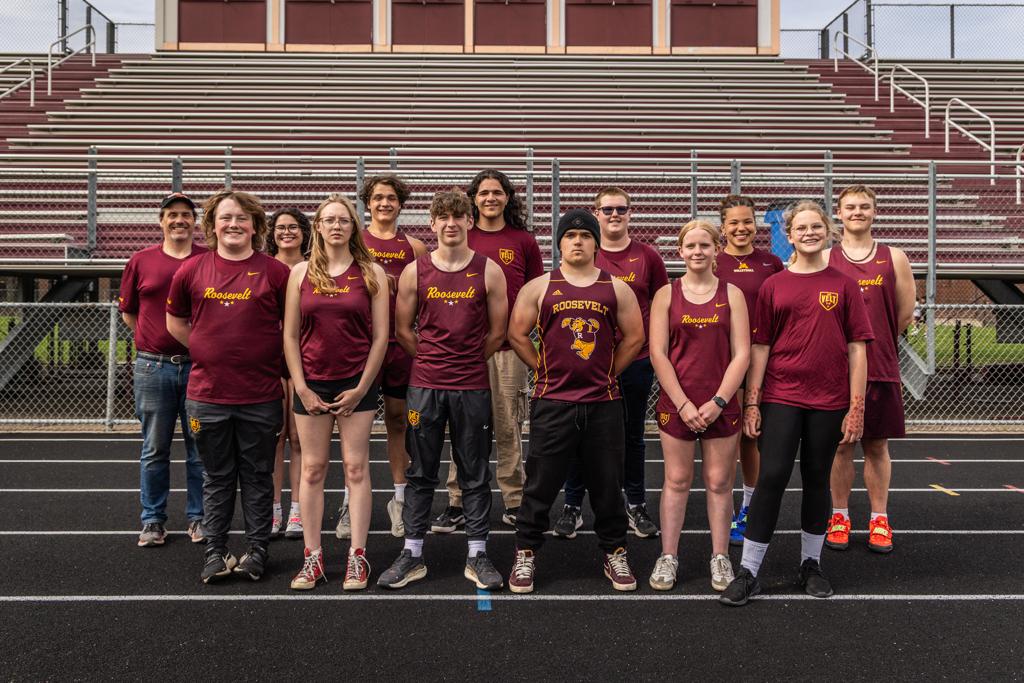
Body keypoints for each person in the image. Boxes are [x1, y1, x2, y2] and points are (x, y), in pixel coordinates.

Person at [720, 200, 872, 606]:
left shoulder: (844, 285)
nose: (809, 233)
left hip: (829, 399)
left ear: (828, 231)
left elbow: (858, 349)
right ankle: (749, 571)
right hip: (782, 396)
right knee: (770, 477)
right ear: (788, 236)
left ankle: (811, 564)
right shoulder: (774, 285)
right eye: (801, 228)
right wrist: (752, 403)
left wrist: (856, 407)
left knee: (817, 480)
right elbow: (761, 346)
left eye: (816, 227)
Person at [508, 209, 644, 594]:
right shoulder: (539, 286)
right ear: (561, 243)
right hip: (553, 400)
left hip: (603, 401)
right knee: (540, 484)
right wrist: (542, 368)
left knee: (607, 484)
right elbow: (517, 333)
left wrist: (608, 373)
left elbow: (634, 337)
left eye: (586, 235)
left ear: (596, 244)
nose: (579, 241)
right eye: (571, 235)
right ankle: (525, 553)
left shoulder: (616, 287)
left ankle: (614, 551)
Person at [377, 188, 507, 590]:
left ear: (470, 222)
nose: (451, 223)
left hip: (471, 387)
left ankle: (477, 553)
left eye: (458, 216)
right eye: (442, 217)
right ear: (432, 224)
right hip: (426, 386)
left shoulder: (489, 270)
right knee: (421, 471)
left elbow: (498, 332)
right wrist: (434, 361)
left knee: (475, 471)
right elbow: (402, 329)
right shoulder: (417, 270)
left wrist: (464, 361)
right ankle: (412, 554)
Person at [166, 189, 291, 584]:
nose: (233, 224)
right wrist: (209, 350)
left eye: (241, 218)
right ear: (212, 225)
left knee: (257, 477)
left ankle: (257, 551)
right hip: (207, 396)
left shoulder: (276, 272)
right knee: (217, 476)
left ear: (255, 225)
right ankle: (215, 552)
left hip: (261, 395)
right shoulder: (190, 271)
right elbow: (176, 323)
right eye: (225, 218)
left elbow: (293, 327)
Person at [283, 195, 389, 591]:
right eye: (328, 220)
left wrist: (362, 386)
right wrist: (302, 387)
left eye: (343, 220)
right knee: (311, 469)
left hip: (355, 383)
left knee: (356, 468)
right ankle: (312, 558)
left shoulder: (372, 272)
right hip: (312, 384)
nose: (336, 226)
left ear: (353, 226)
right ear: (319, 227)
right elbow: (290, 335)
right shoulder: (299, 273)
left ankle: (357, 558)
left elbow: (381, 338)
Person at [553, 187, 668, 540]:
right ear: (597, 214)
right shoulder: (584, 253)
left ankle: (635, 503)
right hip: (587, 363)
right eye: (607, 209)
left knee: (632, 436)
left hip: (635, 360)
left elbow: (663, 304)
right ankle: (573, 506)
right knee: (577, 436)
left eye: (621, 209)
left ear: (630, 214)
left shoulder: (648, 256)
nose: (614, 215)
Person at [432, 169, 543, 533]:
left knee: (508, 424)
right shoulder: (463, 234)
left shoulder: (522, 241)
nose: (490, 198)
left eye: (497, 192)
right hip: (463, 350)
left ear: (508, 197)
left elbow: (535, 292)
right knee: (462, 427)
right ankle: (457, 501)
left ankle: (514, 499)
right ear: (473, 198)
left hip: (508, 348)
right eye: (483, 193)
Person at [648, 220, 750, 592]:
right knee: (676, 480)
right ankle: (669, 556)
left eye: (705, 245)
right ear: (680, 251)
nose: (697, 252)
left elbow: (741, 354)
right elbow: (658, 353)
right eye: (690, 246)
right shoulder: (666, 294)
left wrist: (719, 400)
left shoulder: (732, 294)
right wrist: (684, 403)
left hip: (721, 403)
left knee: (720, 482)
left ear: (716, 249)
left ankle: (720, 556)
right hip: (678, 402)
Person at [826, 185, 915, 554]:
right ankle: (840, 515)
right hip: (834, 370)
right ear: (839, 213)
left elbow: (904, 313)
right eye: (850, 207)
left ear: (875, 212)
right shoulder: (827, 257)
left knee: (877, 445)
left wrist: (870, 344)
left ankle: (879, 519)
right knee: (841, 445)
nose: (857, 212)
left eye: (864, 206)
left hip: (880, 367)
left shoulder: (893, 257)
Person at [118, 192, 207, 548]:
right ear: (161, 221)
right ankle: (153, 520)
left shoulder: (208, 259)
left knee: (200, 448)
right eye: (172, 215)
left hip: (199, 367)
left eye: (186, 214)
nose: (179, 220)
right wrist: (154, 339)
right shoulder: (141, 261)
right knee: (154, 448)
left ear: (194, 222)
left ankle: (199, 518)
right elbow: (130, 313)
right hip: (154, 368)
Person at [355, 174, 428, 539]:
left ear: (401, 204)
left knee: (399, 420)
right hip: (360, 344)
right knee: (355, 427)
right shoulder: (356, 242)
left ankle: (399, 499)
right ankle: (350, 502)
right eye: (378, 197)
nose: (385, 203)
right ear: (368, 202)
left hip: (399, 345)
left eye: (392, 198)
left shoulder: (414, 246)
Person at [713, 195, 784, 546]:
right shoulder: (712, 262)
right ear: (722, 227)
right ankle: (723, 507)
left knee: (754, 435)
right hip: (722, 362)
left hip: (765, 361)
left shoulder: (772, 263)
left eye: (747, 222)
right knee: (729, 437)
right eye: (734, 223)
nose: (741, 229)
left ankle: (750, 507)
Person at [267, 208, 311, 540]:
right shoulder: (263, 266)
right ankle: (273, 509)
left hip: (301, 359)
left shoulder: (313, 266)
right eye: (280, 227)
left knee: (299, 438)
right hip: (267, 359)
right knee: (274, 438)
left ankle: (297, 508)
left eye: (293, 227)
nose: (286, 232)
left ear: (304, 232)